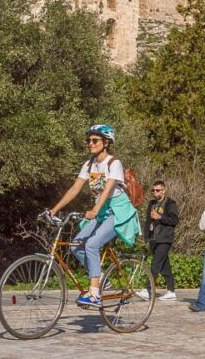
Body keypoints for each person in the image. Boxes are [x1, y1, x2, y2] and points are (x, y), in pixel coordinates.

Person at [48, 125, 141, 307]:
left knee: (91, 244)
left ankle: (94, 294)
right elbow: (75, 188)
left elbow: (107, 190)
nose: (90, 143)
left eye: (95, 140)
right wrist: (54, 209)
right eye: (89, 140)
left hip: (118, 211)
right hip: (101, 211)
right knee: (76, 245)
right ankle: (100, 280)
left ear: (106, 143)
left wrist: (95, 211)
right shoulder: (89, 164)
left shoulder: (114, 163)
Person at [139, 180, 179, 301]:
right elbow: (148, 221)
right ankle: (171, 291)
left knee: (155, 263)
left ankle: (148, 289)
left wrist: (160, 217)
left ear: (164, 190)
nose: (155, 192)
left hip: (165, 238)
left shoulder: (170, 203)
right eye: (153, 190)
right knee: (164, 265)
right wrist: (146, 236)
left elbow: (174, 220)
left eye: (157, 190)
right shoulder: (152, 203)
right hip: (154, 239)